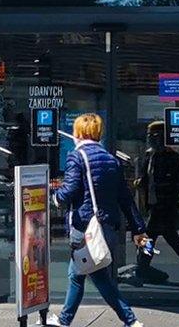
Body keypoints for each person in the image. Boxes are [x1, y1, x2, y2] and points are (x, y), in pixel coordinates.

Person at [53, 113, 148, 327]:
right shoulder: (110, 159)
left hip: (85, 226)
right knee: (86, 275)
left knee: (86, 275)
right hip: (105, 227)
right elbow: (125, 198)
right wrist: (138, 229)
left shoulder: (76, 157)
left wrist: (56, 198)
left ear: (78, 133)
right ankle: (65, 320)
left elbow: (69, 191)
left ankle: (131, 321)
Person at [134, 120, 179, 287]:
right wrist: (140, 182)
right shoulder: (149, 155)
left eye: (153, 136)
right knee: (171, 239)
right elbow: (146, 179)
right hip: (154, 204)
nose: (150, 140)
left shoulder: (172, 157)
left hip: (165, 206)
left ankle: (142, 269)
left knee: (148, 238)